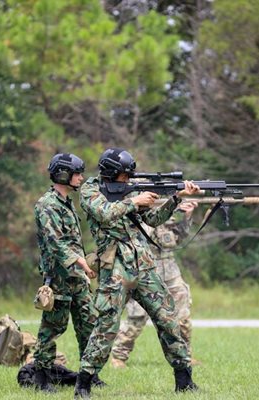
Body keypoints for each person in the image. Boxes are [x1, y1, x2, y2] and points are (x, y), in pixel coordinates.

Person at [76, 148, 200, 399]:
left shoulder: (130, 190)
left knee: (167, 318)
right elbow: (103, 213)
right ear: (111, 173)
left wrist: (175, 198)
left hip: (143, 264)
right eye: (124, 175)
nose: (128, 180)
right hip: (115, 268)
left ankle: (184, 380)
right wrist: (134, 200)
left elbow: (153, 220)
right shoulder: (90, 190)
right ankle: (84, 384)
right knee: (106, 325)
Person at [33, 153, 102, 393]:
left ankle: (89, 375)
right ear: (63, 175)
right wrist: (80, 262)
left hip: (77, 278)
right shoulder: (47, 204)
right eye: (77, 173)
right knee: (52, 328)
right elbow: (55, 243)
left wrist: (83, 266)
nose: (81, 177)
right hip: (60, 278)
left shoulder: (66, 202)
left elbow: (71, 241)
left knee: (88, 324)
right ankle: (40, 377)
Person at [111, 201, 199, 368]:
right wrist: (152, 212)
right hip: (146, 270)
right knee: (137, 317)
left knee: (183, 317)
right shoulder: (135, 213)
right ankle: (118, 357)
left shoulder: (168, 213)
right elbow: (138, 237)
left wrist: (187, 216)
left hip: (171, 272)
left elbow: (177, 238)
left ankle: (185, 356)